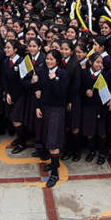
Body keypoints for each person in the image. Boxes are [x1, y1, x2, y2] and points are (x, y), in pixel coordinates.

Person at [36, 51, 69, 188]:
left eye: (51, 59)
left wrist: (54, 79)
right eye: (47, 59)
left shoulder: (63, 74)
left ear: (57, 61)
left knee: (53, 142)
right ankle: (54, 163)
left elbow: (62, 94)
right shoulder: (43, 72)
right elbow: (39, 91)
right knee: (47, 139)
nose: (49, 61)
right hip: (45, 108)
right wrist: (38, 107)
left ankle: (55, 173)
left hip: (57, 110)